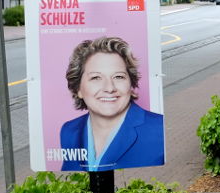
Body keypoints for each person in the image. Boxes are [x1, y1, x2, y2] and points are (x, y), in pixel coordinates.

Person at [59, 36, 164, 172]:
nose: (109, 88)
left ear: (131, 84)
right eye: (96, 77)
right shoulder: (69, 131)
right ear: (78, 89)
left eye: (118, 77)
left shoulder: (159, 128)